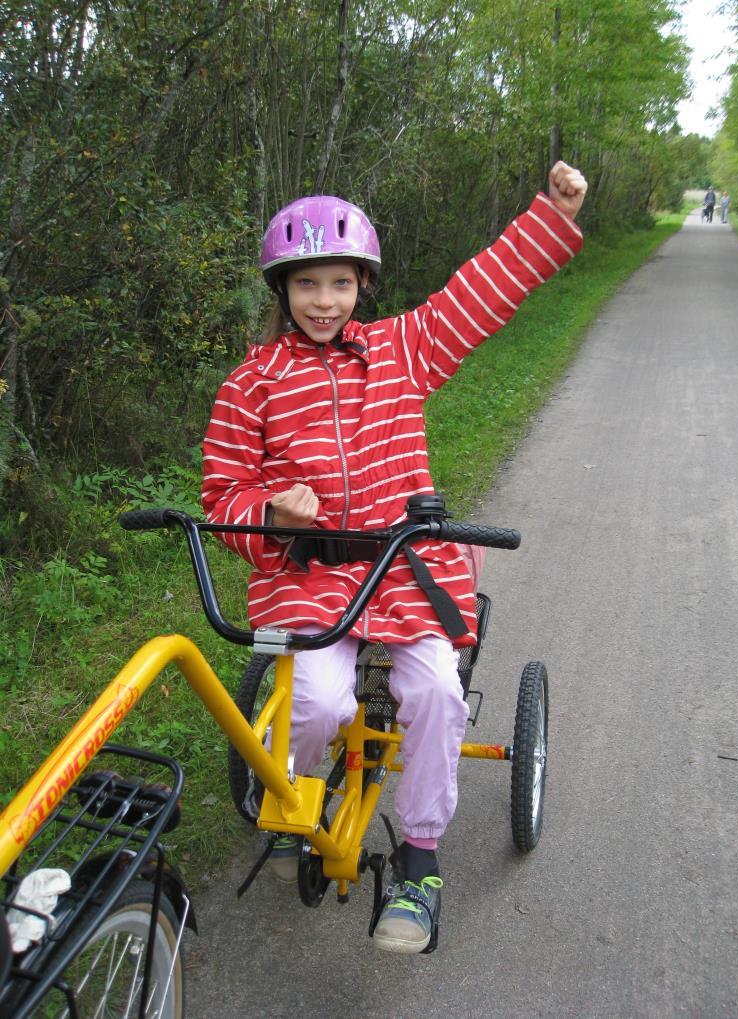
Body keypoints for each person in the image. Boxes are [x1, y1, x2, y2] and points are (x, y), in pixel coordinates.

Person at [201, 161, 587, 954]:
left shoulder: (402, 351)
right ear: (282, 289)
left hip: (406, 568)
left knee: (438, 691)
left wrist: (550, 214)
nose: (323, 301)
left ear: (362, 286)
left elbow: (477, 295)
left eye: (339, 283)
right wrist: (269, 514)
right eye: (306, 284)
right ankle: (297, 807)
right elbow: (221, 497)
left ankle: (418, 858)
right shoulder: (252, 383)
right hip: (308, 579)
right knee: (308, 700)